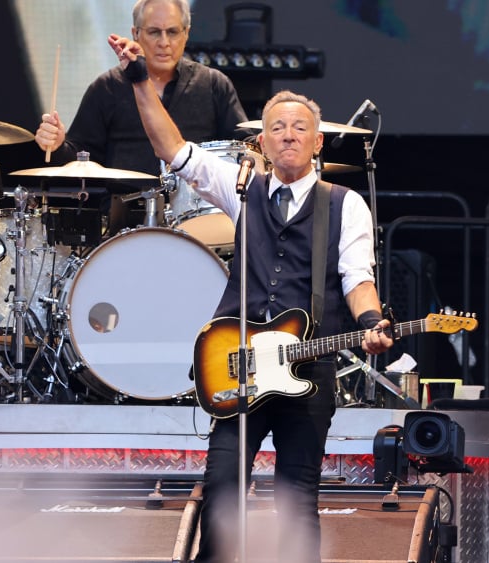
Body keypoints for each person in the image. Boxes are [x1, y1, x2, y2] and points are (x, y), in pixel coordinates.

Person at [108, 34, 395, 563]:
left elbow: (358, 277)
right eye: (277, 128)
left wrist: (372, 321)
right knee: (221, 484)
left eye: (300, 128)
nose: (288, 136)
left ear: (318, 144)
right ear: (261, 142)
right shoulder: (242, 189)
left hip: (309, 367)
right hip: (238, 362)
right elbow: (171, 148)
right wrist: (141, 82)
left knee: (297, 496)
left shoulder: (346, 205)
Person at [34, 0, 249, 232]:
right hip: (122, 228)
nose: (164, 42)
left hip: (198, 225)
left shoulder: (212, 84)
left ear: (186, 34)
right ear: (135, 33)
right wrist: (56, 146)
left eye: (173, 32)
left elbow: (243, 150)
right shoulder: (106, 88)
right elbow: (78, 161)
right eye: (154, 32)